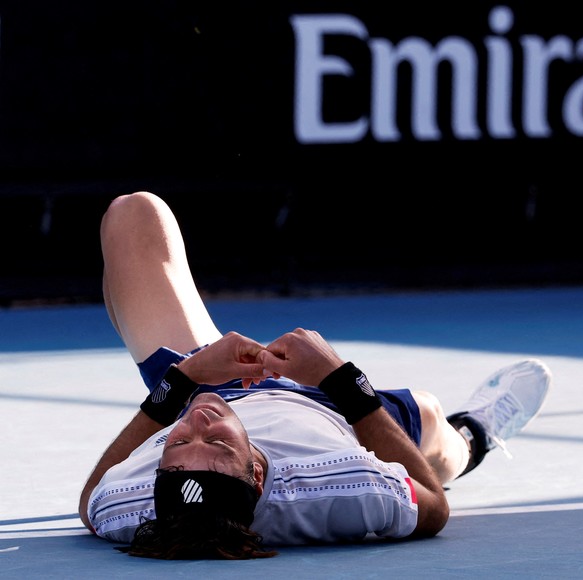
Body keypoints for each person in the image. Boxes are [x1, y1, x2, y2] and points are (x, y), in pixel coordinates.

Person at [78, 191, 552, 559]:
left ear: (158, 471)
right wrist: (339, 378)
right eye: (218, 444)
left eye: (177, 444)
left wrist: (182, 381)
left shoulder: (137, 501)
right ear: (259, 473)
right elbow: (434, 506)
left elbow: (90, 503)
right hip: (334, 417)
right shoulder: (341, 485)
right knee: (432, 426)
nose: (198, 424)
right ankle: (478, 435)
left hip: (207, 382)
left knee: (133, 215)